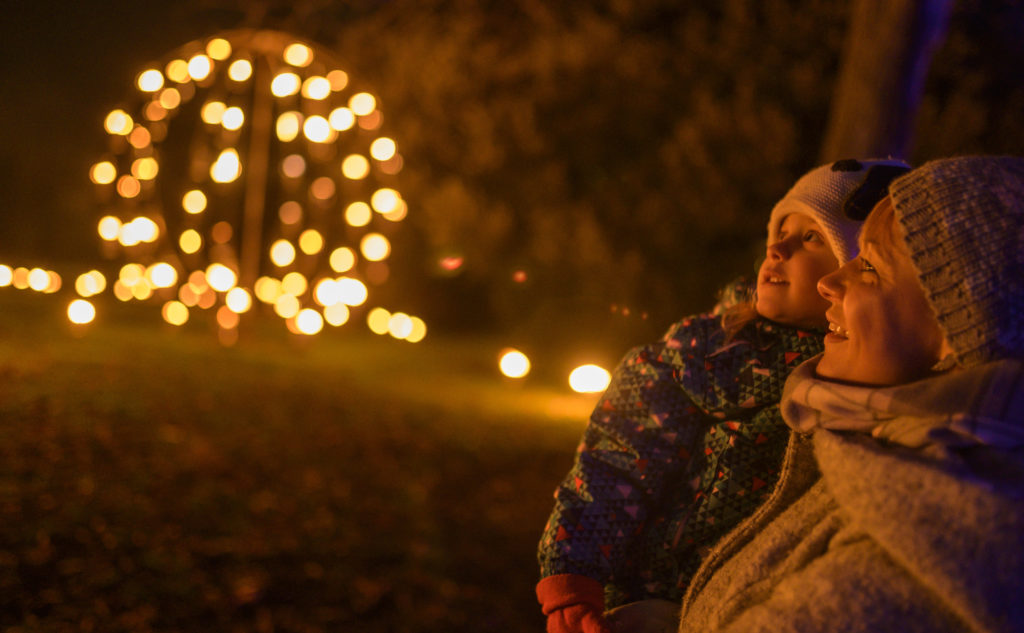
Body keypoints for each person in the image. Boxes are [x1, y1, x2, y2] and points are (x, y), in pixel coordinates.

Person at [536, 159, 911, 633]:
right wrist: (574, 573)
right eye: (782, 229)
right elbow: (618, 460)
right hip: (648, 597)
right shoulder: (703, 352)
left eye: (813, 237)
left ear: (859, 268)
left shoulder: (866, 374)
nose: (777, 248)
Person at [677, 155, 1024, 633]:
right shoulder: (880, 446)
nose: (829, 282)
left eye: (871, 271)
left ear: (957, 339)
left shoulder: (917, 551)